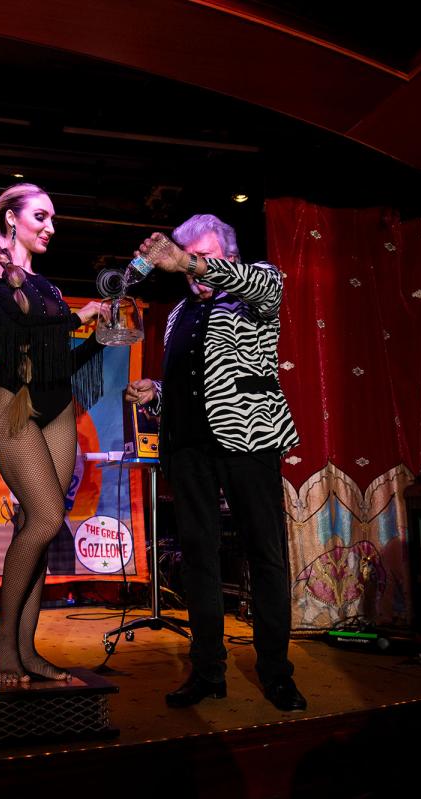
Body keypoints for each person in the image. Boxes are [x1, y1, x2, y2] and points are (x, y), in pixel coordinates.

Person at [122, 214, 304, 711]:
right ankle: (208, 671)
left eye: (203, 258)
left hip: (249, 439)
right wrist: (157, 393)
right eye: (187, 261)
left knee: (265, 554)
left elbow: (262, 286)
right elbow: (196, 381)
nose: (192, 270)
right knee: (199, 558)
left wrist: (185, 260)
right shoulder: (179, 314)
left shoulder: (257, 286)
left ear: (230, 257)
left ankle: (276, 673)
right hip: (189, 448)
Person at [0, 183, 106, 685]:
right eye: (41, 217)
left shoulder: (47, 286)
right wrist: (77, 317)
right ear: (11, 219)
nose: (50, 227)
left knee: (40, 524)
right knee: (47, 517)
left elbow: (57, 360)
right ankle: (3, 637)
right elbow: (16, 335)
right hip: (13, 403)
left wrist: (99, 336)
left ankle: (26, 649)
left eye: (53, 220)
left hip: (57, 406)